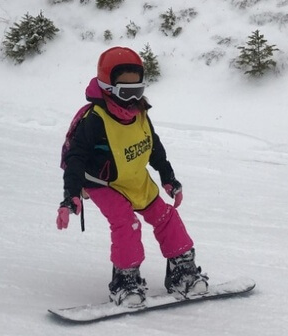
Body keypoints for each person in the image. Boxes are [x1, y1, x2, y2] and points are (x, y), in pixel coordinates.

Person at [56, 46, 208, 306]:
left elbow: (153, 146)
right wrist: (71, 196)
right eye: (125, 92)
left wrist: (168, 177)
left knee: (166, 217)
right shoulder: (95, 120)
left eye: (136, 90)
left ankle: (183, 270)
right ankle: (125, 281)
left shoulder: (140, 114)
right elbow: (75, 159)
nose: (131, 99)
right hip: (102, 183)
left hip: (135, 178)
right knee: (127, 223)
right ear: (107, 87)